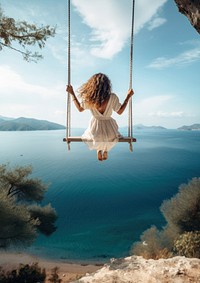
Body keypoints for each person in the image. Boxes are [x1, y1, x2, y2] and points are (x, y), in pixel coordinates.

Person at [66, 73, 134, 161]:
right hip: (110, 131)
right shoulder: (112, 97)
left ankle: (99, 149)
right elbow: (120, 111)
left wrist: (72, 93)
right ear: (107, 85)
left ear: (92, 85)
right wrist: (128, 96)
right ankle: (105, 149)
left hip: (95, 132)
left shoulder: (89, 99)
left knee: (96, 136)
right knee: (109, 137)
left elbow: (80, 108)